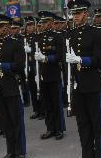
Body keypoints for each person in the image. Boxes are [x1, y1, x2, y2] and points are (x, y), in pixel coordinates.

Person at [66, 0, 101, 158]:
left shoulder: (96, 33)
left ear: (86, 14)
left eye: (78, 13)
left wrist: (82, 60)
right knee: (83, 125)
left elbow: (99, 59)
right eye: (73, 13)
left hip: (92, 85)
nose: (75, 16)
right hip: (78, 87)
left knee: (96, 125)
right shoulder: (70, 35)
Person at [0, 14, 26, 158]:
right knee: (6, 122)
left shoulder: (16, 43)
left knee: (16, 121)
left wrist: (1, 65)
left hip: (11, 86)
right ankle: (10, 151)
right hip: (0, 87)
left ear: (6, 27)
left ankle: (19, 151)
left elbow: (19, 66)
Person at [35, 11, 66, 140]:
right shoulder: (39, 37)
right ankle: (50, 128)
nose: (43, 24)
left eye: (45, 22)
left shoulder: (57, 37)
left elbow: (60, 56)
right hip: (43, 75)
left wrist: (46, 58)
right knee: (47, 103)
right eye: (42, 22)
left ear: (51, 23)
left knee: (56, 103)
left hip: (54, 74)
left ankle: (59, 129)